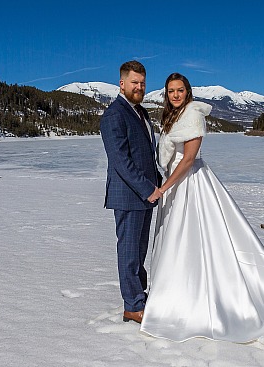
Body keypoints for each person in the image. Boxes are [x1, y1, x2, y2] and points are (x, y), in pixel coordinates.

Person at [140, 73, 264, 345]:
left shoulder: (193, 116)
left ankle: (203, 301)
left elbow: (188, 161)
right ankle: (173, 296)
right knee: (176, 240)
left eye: (180, 90)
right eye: (171, 91)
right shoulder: (172, 116)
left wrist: (164, 188)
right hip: (175, 184)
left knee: (197, 239)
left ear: (188, 92)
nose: (175, 95)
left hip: (189, 183)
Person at [100, 61, 162, 324]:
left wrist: (160, 184)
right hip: (128, 195)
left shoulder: (141, 113)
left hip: (145, 196)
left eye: (142, 83)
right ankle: (133, 306)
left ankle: (140, 295)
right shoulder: (115, 115)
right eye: (134, 82)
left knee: (138, 252)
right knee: (128, 252)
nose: (139, 87)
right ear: (122, 84)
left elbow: (146, 155)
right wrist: (149, 189)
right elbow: (121, 161)